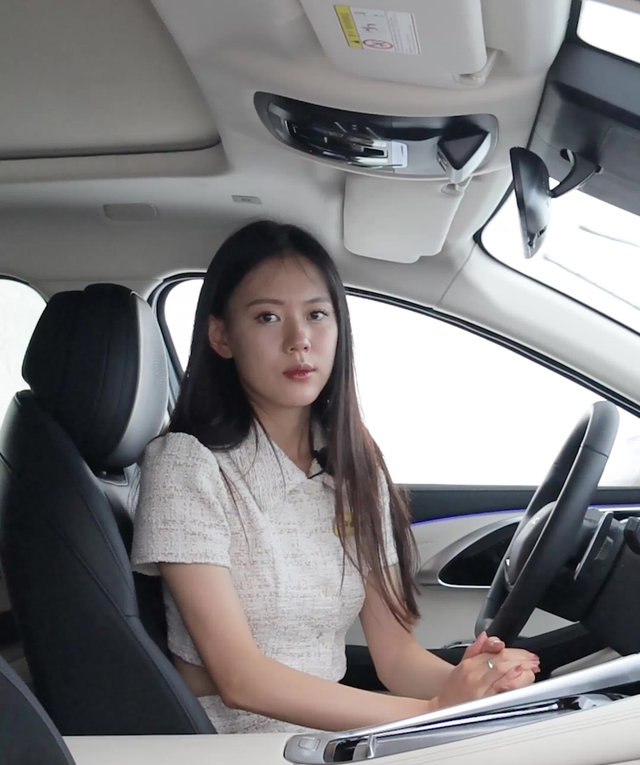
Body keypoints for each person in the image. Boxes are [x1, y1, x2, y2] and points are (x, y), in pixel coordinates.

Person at [131, 220, 539, 733]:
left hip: (330, 743)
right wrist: (434, 712)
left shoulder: (353, 469)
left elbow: (395, 657)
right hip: (243, 755)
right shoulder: (186, 466)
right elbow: (240, 679)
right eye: (267, 317)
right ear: (222, 336)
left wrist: (481, 686)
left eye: (316, 315)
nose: (299, 340)